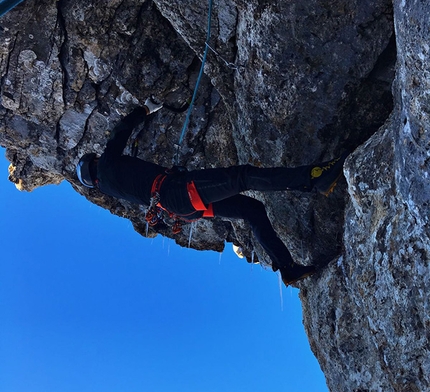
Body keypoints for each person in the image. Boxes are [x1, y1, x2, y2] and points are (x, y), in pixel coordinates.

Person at [77, 98, 347, 285]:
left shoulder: (111, 187)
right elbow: (120, 133)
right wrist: (143, 110)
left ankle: (287, 268)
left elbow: (142, 181)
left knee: (252, 210)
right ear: (95, 164)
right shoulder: (108, 164)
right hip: (177, 192)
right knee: (242, 177)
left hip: (181, 205)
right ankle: (314, 178)